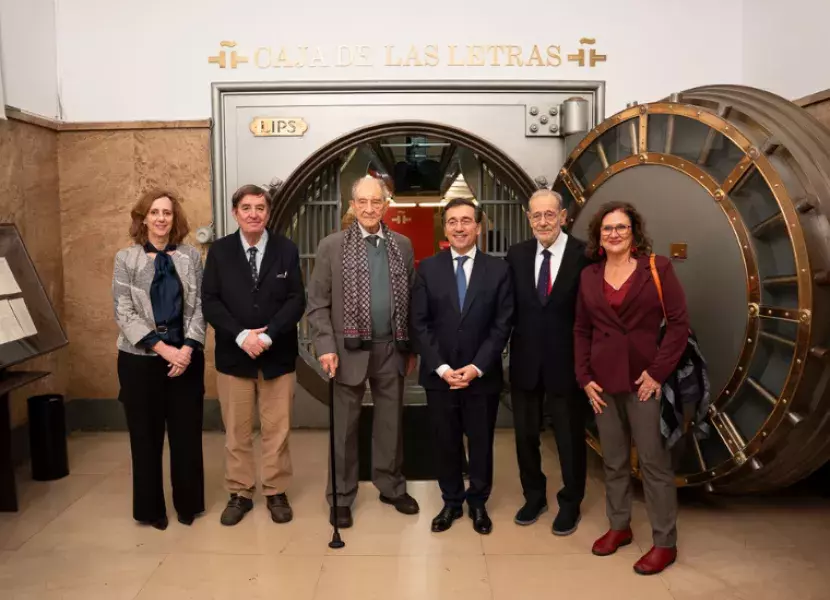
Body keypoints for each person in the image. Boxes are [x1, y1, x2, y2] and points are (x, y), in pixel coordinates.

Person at [574, 201, 689, 575]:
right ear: (598, 237)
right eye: (607, 229)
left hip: (644, 383)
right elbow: (581, 329)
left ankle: (664, 543)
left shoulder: (658, 268)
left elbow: (678, 325)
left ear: (634, 232)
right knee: (614, 460)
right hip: (603, 383)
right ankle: (619, 526)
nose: (614, 234)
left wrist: (657, 373)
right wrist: (584, 377)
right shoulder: (589, 276)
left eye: (621, 227)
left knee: (654, 464)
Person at [307, 175, 419, 529]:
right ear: (353, 206)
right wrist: (325, 346)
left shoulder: (402, 245)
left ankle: (391, 485)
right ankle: (341, 495)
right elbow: (317, 303)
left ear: (386, 206)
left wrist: (411, 345)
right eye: (363, 202)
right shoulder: (331, 246)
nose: (370, 209)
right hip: (346, 350)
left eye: (377, 202)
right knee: (344, 427)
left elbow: (413, 299)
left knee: (391, 424)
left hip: (391, 348)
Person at [202, 184, 305, 526]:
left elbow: (296, 300)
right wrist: (243, 335)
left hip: (277, 355)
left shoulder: (286, 250)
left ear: (268, 213)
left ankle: (275, 491)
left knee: (278, 429)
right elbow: (211, 302)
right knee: (237, 430)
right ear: (235, 213)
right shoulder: (219, 252)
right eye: (246, 208)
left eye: (260, 208)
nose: (253, 214)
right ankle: (240, 492)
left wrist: (270, 335)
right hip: (235, 356)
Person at [411, 198, 514, 535]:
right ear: (445, 227)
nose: (459, 227)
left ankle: (479, 502)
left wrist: (476, 367)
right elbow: (420, 323)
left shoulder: (498, 270)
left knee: (481, 441)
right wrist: (441, 367)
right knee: (446, 441)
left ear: (478, 227)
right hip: (439, 378)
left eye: (466, 220)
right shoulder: (427, 268)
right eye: (453, 221)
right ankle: (451, 502)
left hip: (480, 378)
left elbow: (502, 324)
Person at [112, 189, 206, 530]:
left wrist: (187, 349)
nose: (161, 218)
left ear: (174, 218)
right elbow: (122, 310)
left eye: (167, 212)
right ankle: (152, 509)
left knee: (187, 436)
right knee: (145, 437)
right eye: (154, 212)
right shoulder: (126, 258)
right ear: (143, 218)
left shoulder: (191, 257)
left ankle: (188, 504)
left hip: (187, 358)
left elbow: (200, 306)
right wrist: (162, 348)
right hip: (140, 361)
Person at [505, 189, 591, 535]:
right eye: (536, 216)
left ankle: (570, 503)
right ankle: (534, 496)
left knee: (570, 438)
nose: (543, 221)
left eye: (549, 215)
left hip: (567, 363)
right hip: (525, 361)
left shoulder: (584, 254)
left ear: (563, 216)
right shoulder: (516, 254)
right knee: (526, 437)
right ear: (529, 218)